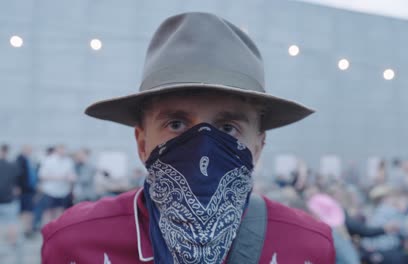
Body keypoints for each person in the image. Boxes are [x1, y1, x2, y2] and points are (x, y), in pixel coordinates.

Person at [41, 12, 335, 263]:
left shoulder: (308, 249)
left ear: (258, 146)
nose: (202, 153)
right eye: (176, 123)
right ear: (142, 143)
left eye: (228, 128)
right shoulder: (74, 244)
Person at [36, 145, 76, 227]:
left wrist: (71, 178)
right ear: (57, 150)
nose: (63, 152)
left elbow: (71, 174)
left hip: (63, 192)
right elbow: (42, 176)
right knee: (48, 212)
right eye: (61, 150)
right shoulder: (48, 160)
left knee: (60, 212)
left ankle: (56, 231)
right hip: (50, 191)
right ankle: (46, 230)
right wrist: (59, 177)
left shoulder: (68, 161)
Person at [0, 144, 20, 246]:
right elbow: (17, 183)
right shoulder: (12, 166)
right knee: (12, 221)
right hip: (9, 198)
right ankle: (13, 242)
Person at [16, 145, 38, 237]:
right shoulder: (20, 160)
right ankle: (25, 230)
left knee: (29, 210)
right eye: (29, 150)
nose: (30, 152)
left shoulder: (29, 160)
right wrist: (17, 187)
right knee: (25, 210)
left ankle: (28, 229)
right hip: (24, 190)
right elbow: (17, 175)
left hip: (30, 189)